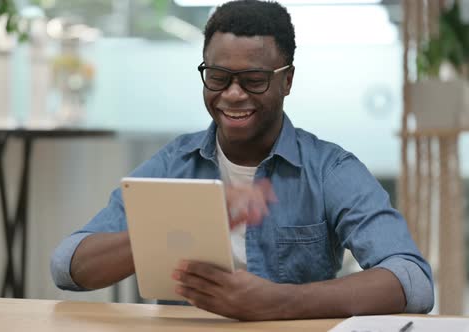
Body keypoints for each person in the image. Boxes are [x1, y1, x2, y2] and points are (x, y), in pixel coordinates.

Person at [51, 0, 433, 321]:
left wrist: (278, 302)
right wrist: (176, 225)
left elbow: (411, 280)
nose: (232, 95)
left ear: (287, 81)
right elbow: (68, 266)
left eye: (253, 79)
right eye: (218, 76)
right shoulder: (175, 164)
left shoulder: (328, 169)